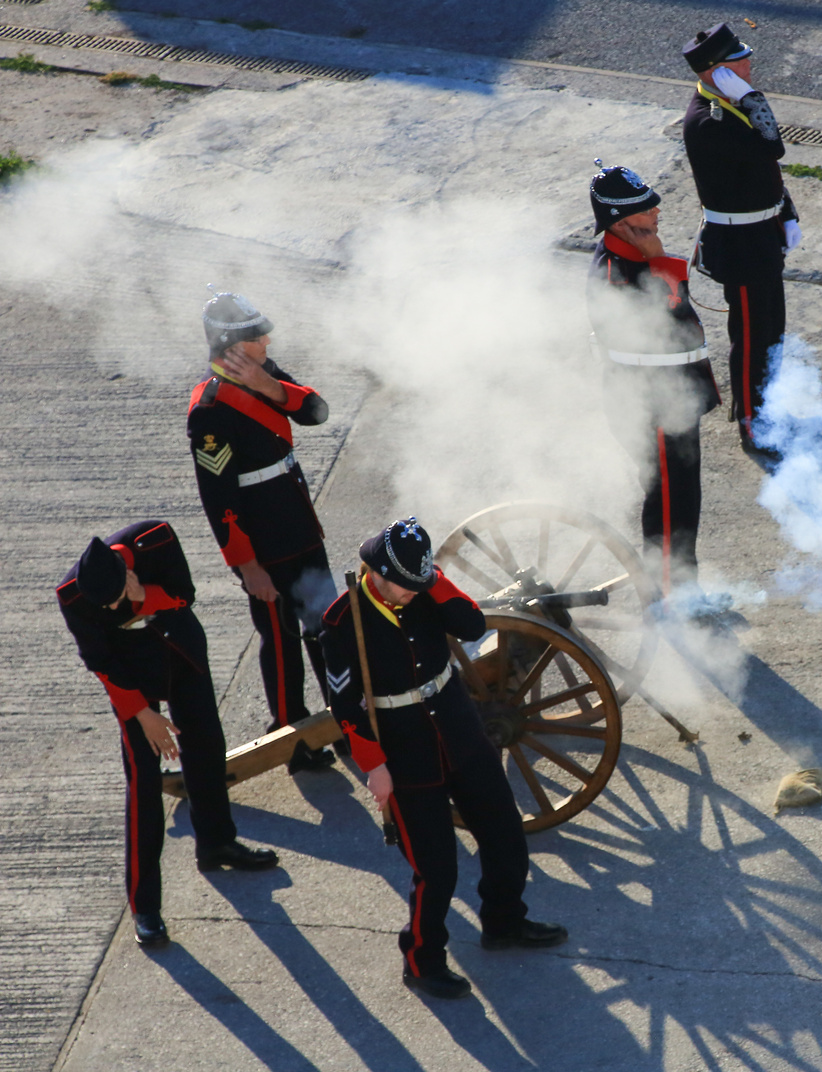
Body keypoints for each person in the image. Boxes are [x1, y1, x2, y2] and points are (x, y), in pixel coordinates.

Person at [319, 518, 567, 1000]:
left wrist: (432, 583)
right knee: (436, 868)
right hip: (403, 747)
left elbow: (472, 624)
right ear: (376, 573)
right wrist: (375, 767)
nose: (413, 592)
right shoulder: (341, 624)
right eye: (405, 585)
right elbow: (345, 708)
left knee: (502, 828)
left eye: (420, 581)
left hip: (458, 724)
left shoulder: (424, 588)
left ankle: (504, 921)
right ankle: (422, 960)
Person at [57, 522, 279, 949]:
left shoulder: (157, 540)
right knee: (143, 782)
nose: (112, 608)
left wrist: (144, 598)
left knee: (207, 745)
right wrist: (144, 715)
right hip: (129, 673)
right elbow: (99, 660)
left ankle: (217, 842)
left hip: (177, 647)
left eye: (118, 597)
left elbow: (184, 596)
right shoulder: (72, 595)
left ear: (127, 572)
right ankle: (145, 905)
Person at [187, 288, 338, 773]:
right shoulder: (209, 410)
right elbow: (219, 500)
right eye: (256, 337)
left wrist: (270, 386)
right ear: (232, 346)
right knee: (281, 640)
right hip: (262, 542)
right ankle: (293, 736)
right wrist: (247, 566)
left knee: (326, 626)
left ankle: (347, 720)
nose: (267, 341)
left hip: (298, 524)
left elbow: (317, 412)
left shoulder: (266, 375)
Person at [585, 159, 728, 610]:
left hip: (673, 397)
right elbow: (668, 313)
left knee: (685, 496)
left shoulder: (634, 258)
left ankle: (683, 585)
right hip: (651, 403)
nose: (656, 213)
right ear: (622, 222)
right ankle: (668, 595)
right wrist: (657, 257)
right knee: (669, 502)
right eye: (646, 211)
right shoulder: (616, 273)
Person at [681, 22, 801, 464]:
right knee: (751, 337)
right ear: (717, 73)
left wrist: (785, 211)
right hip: (740, 242)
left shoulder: (725, 105)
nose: (749, 65)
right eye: (739, 61)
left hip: (762, 233)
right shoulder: (707, 121)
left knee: (773, 329)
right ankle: (752, 421)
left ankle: (769, 406)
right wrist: (751, 98)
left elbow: (763, 174)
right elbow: (772, 148)